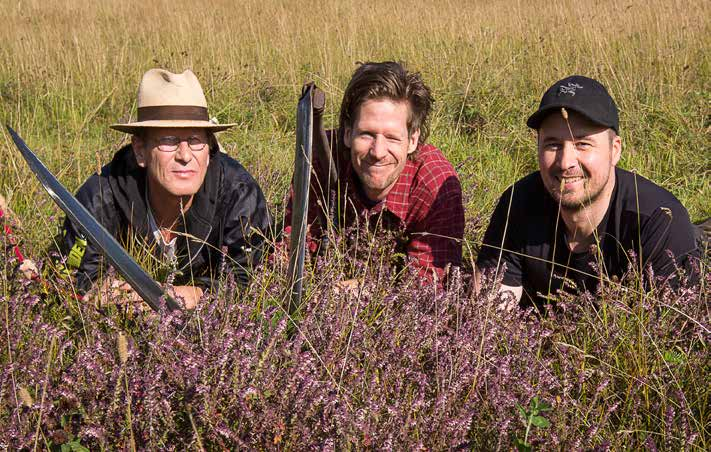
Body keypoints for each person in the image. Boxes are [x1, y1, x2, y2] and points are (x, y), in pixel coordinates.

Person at [476, 75, 700, 309]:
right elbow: (489, 318)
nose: (565, 163)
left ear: (615, 151)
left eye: (583, 144)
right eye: (552, 144)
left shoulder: (658, 219)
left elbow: (666, 335)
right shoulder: (518, 203)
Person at [60, 69, 271, 309]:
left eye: (194, 140)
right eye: (169, 140)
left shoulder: (238, 193)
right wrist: (104, 294)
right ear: (140, 150)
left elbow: (249, 280)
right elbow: (74, 275)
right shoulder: (100, 197)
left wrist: (192, 294)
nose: (185, 155)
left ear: (209, 147)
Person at [283, 61, 464, 286]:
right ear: (347, 133)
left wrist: (366, 291)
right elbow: (291, 252)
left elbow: (428, 290)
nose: (378, 152)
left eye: (392, 137)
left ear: (413, 140)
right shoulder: (321, 156)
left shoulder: (434, 183)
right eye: (367, 134)